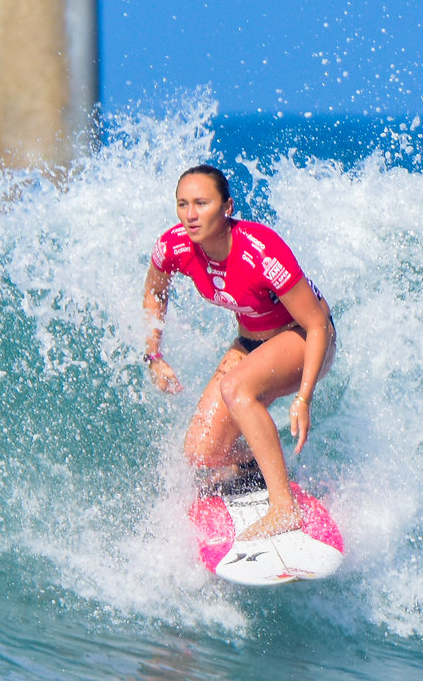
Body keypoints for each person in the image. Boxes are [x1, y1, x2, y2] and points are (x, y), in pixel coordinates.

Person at [142, 165, 335, 541]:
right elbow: (155, 290)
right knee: (201, 452)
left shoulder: (261, 251)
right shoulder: (175, 247)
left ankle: (284, 509)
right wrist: (154, 355)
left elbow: (315, 325)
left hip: (304, 337)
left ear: (227, 206)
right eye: (183, 204)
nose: (191, 214)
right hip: (250, 342)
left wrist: (303, 398)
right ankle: (255, 466)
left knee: (236, 388)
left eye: (202, 203)